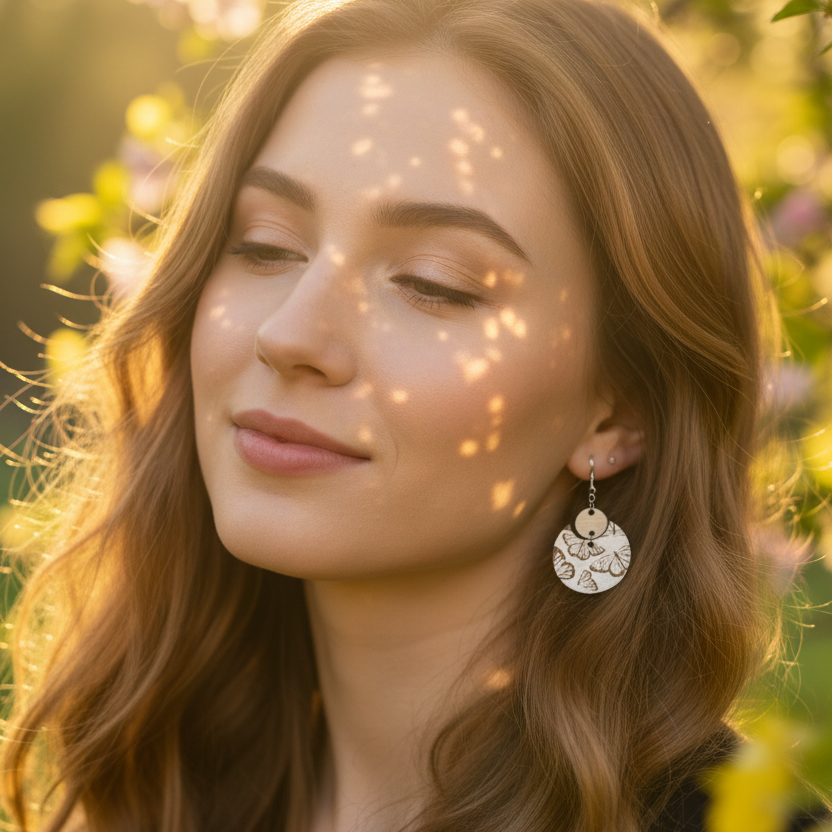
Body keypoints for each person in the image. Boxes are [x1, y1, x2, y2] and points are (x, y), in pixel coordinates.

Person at [1, 0, 829, 830]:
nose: (289, 333)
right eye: (264, 244)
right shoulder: (147, 792)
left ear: (619, 414)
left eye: (434, 283)